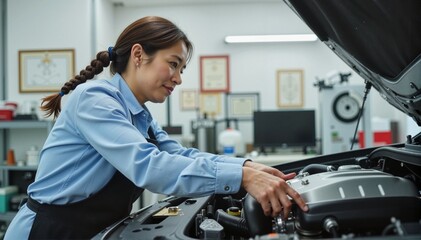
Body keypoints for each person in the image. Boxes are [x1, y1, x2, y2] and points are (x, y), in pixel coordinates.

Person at [5, 16, 308, 239]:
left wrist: (246, 166)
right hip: (49, 231)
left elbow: (178, 154)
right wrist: (241, 177)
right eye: (173, 64)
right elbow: (149, 166)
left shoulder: (140, 115)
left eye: (182, 68)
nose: (178, 78)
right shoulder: (95, 100)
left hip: (92, 230)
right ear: (138, 55)